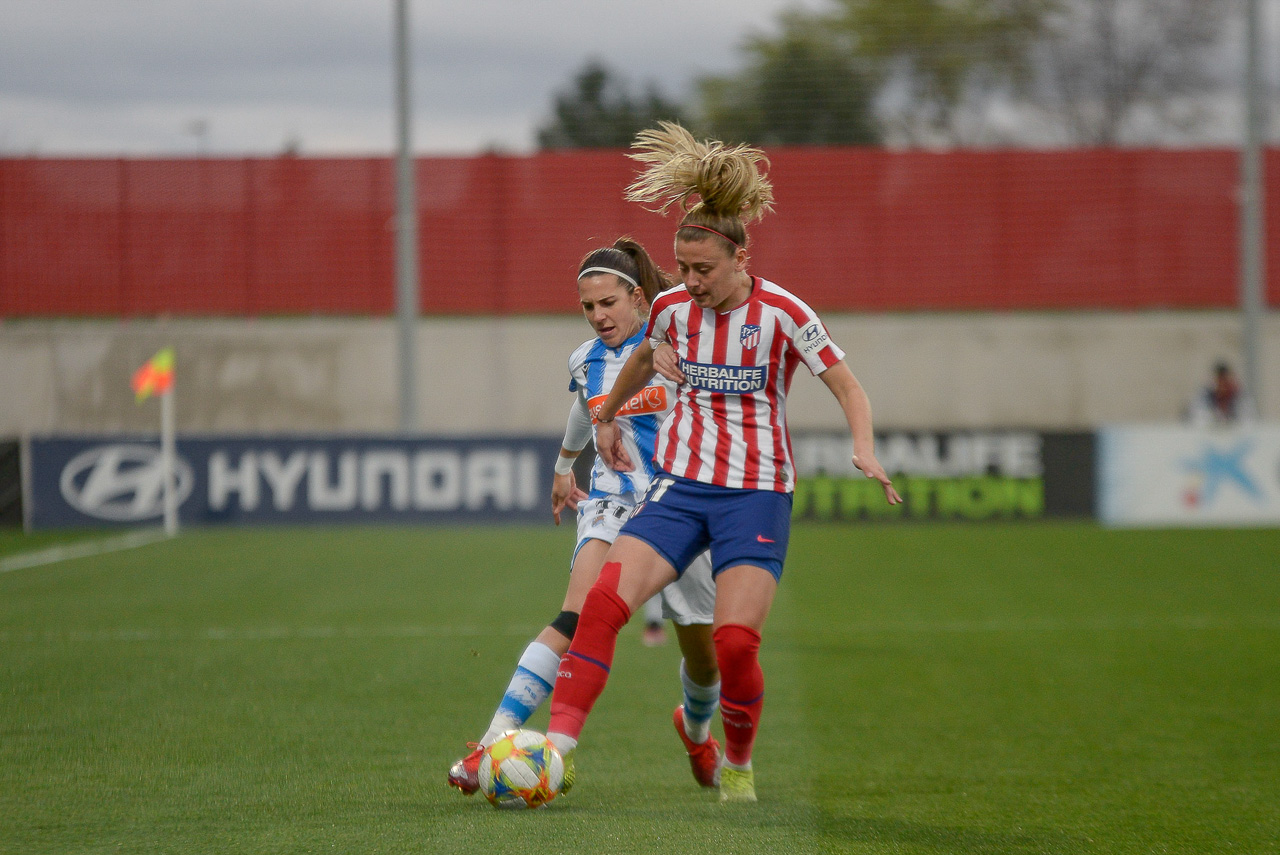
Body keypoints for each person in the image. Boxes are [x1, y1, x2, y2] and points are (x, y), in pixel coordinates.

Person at [544, 122, 902, 803]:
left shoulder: (785, 312)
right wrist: (608, 415)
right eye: (682, 268)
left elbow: (848, 385)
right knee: (602, 605)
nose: (690, 281)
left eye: (703, 269)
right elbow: (646, 356)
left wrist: (864, 446)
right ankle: (557, 751)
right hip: (678, 491)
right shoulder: (674, 309)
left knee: (734, 645)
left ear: (741, 257)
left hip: (755, 495)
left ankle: (735, 758)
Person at [447, 237, 723, 796]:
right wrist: (564, 465)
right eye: (588, 307)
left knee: (703, 653)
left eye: (608, 304)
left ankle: (697, 734)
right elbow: (584, 409)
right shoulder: (585, 359)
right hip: (612, 502)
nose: (598, 316)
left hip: (681, 508)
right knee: (576, 614)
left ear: (639, 298)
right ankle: (488, 744)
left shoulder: (676, 345)